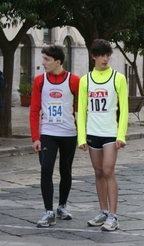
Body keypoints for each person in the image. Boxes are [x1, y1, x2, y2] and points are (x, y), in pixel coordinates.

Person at [77, 39, 128, 231]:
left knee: (108, 170)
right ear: (93, 57)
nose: (105, 59)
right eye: (101, 55)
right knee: (98, 172)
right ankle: (103, 211)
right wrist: (81, 137)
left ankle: (114, 215)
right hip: (93, 132)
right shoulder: (85, 80)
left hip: (110, 133)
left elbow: (123, 110)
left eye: (107, 55)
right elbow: (81, 110)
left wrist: (121, 135)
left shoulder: (118, 78)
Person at [29, 46, 80, 227]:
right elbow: (34, 109)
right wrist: (36, 137)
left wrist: (82, 135)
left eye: (47, 59)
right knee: (46, 168)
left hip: (68, 133)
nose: (43, 63)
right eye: (43, 59)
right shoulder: (39, 81)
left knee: (65, 170)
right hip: (47, 133)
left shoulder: (74, 81)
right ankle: (48, 211)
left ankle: (62, 206)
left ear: (58, 62)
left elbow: (81, 108)